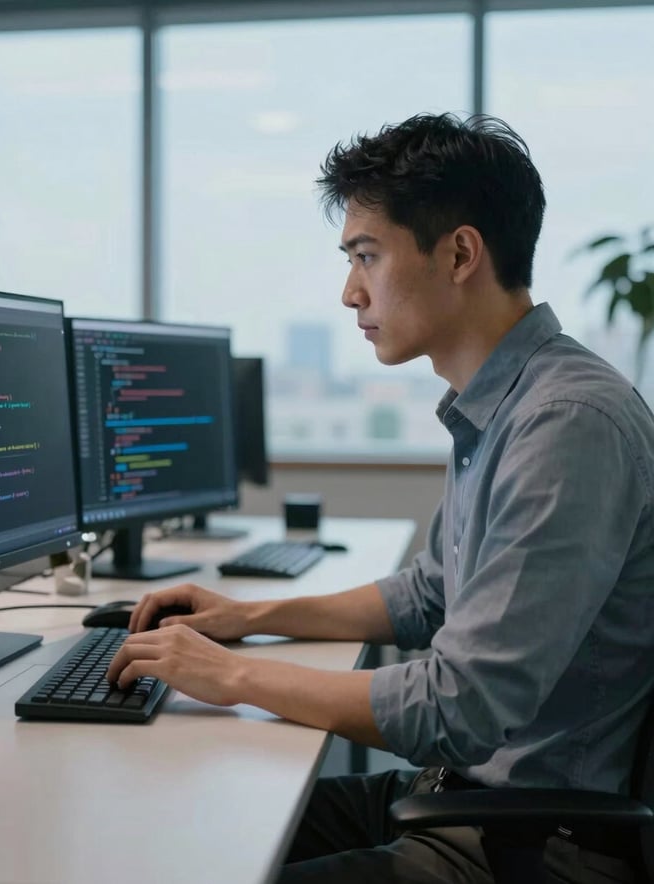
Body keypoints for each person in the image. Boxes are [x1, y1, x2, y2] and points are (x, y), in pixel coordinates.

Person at [107, 112, 654, 883]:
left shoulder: (566, 425)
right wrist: (247, 619)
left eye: (367, 255)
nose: (349, 291)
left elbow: (459, 707)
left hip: (534, 841)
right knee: (167, 833)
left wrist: (230, 676)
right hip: (464, 799)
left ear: (460, 253)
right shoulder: (501, 404)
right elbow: (431, 593)